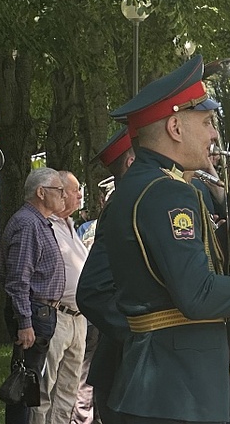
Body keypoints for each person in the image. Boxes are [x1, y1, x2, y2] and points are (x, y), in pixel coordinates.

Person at [93, 55, 230, 424]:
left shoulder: (149, 187)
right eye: (208, 122)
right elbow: (197, 295)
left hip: (168, 389)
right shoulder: (169, 192)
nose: (214, 134)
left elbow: (176, 265)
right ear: (175, 127)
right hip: (178, 391)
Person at [75, 127, 133, 424]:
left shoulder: (134, 203)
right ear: (132, 162)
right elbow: (94, 290)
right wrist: (140, 333)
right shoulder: (124, 207)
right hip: (126, 362)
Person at [1, 167, 67, 424]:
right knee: (24, 383)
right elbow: (18, 279)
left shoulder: (39, 222)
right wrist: (25, 322)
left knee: (29, 383)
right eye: (58, 190)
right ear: (41, 192)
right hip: (34, 312)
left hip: (40, 312)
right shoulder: (28, 224)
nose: (63, 195)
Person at [35, 171, 89, 424]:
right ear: (61, 193)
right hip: (56, 315)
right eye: (75, 190)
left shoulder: (70, 225)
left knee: (68, 389)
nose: (80, 196)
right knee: (44, 388)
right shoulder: (46, 225)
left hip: (79, 318)